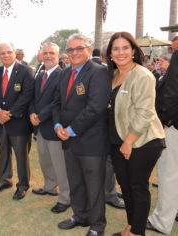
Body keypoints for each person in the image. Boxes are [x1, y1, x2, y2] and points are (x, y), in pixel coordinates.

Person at [105, 32, 165, 236]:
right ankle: (132, 226)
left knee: (138, 187)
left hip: (142, 141)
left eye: (125, 48)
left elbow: (145, 112)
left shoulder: (142, 75)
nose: (120, 52)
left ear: (133, 51)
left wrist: (129, 141)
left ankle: (137, 232)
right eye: (116, 48)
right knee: (126, 187)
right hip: (117, 141)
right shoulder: (114, 75)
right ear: (110, 53)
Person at [53, 34, 110, 236]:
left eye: (79, 48)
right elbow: (57, 102)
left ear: (88, 49)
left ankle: (97, 226)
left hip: (91, 141)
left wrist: (69, 130)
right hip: (69, 141)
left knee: (94, 186)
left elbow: (95, 107)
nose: (74, 53)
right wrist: (58, 124)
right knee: (75, 181)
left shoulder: (99, 72)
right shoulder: (64, 74)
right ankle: (80, 216)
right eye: (70, 50)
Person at [0, 42, 34, 200]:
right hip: (0, 121)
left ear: (15, 53)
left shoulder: (26, 72)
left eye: (9, 52)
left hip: (18, 122)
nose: (6, 55)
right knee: (3, 153)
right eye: (2, 53)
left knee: (21, 155)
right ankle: (5, 180)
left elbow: (27, 95)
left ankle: (23, 185)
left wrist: (11, 113)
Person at [29, 43, 70, 213]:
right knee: (45, 161)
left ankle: (66, 197)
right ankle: (49, 186)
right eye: (45, 53)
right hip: (39, 129)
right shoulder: (39, 75)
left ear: (58, 55)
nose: (47, 56)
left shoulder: (63, 75)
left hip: (54, 126)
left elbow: (57, 101)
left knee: (60, 165)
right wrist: (32, 113)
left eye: (51, 53)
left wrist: (40, 116)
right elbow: (32, 98)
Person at [147, 36, 178, 235]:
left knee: (169, 175)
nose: (171, 53)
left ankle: (161, 220)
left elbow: (172, 91)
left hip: (174, 127)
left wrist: (166, 120)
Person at [92, 50, 125, 210]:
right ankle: (109, 193)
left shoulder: (115, 72)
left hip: (111, 124)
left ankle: (110, 191)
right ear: (106, 56)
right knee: (108, 162)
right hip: (104, 124)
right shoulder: (104, 71)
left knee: (109, 162)